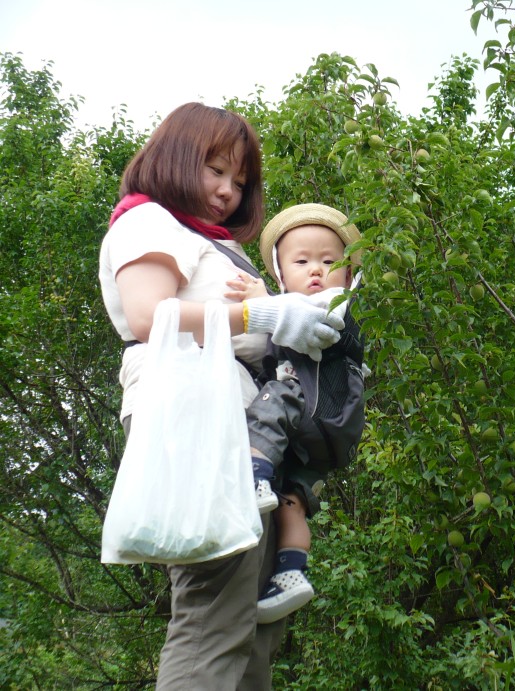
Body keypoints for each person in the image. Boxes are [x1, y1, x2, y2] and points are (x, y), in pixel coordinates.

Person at [98, 102, 345, 690]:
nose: (227, 191)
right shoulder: (148, 220)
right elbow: (146, 314)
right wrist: (264, 312)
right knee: (214, 611)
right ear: (177, 157)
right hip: (196, 415)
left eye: (239, 181)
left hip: (241, 428)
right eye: (215, 170)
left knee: (252, 623)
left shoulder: (208, 241)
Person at [224, 203, 365, 624]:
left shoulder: (334, 307)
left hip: (314, 405)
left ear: (348, 275)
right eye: (302, 262)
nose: (317, 271)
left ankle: (253, 475)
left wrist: (259, 301)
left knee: (271, 401)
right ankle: (291, 571)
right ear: (282, 273)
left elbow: (296, 321)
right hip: (324, 437)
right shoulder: (305, 304)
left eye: (329, 261)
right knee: (294, 500)